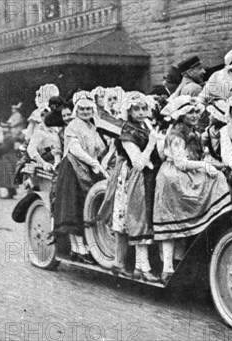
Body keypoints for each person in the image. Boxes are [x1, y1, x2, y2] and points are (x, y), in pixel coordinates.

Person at [153, 96, 232, 284]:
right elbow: (180, 162)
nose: (195, 115)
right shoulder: (177, 135)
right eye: (190, 112)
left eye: (197, 111)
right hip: (173, 177)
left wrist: (218, 164)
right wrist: (205, 167)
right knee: (172, 221)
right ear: (181, 114)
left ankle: (180, 265)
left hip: (187, 174)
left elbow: (200, 155)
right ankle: (167, 269)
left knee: (218, 177)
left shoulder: (193, 132)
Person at [98, 92, 163, 282]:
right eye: (136, 109)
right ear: (129, 111)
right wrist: (152, 143)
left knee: (140, 220)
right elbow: (138, 162)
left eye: (144, 108)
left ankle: (136, 266)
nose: (142, 112)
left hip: (147, 178)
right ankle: (138, 267)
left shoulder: (145, 126)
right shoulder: (127, 132)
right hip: (132, 178)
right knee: (134, 219)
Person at [51, 95, 106, 264]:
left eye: (88, 109)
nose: (85, 112)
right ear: (77, 110)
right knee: (74, 208)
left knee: (85, 206)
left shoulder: (92, 127)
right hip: (73, 168)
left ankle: (81, 248)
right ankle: (78, 248)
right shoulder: (72, 126)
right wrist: (94, 162)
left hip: (88, 167)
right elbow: (75, 149)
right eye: (82, 109)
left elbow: (99, 148)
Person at [0, 123, 21, 199]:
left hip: (7, 158)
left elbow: (3, 148)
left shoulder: (8, 138)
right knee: (11, 175)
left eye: (5, 128)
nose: (3, 129)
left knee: (7, 176)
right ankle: (12, 192)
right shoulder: (11, 138)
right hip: (12, 157)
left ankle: (10, 193)